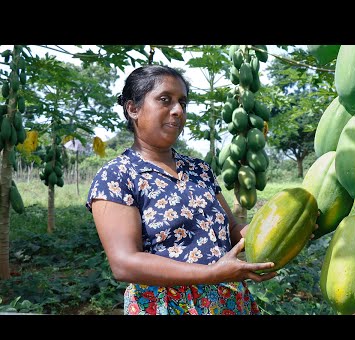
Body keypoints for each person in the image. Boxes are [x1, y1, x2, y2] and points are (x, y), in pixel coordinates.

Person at [85, 65, 278, 315]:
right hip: (167, 306)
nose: (178, 111)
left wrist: (280, 228)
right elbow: (125, 263)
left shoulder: (199, 169)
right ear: (133, 108)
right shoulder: (118, 175)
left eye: (182, 103)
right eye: (165, 100)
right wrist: (211, 274)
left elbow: (230, 230)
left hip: (228, 302)